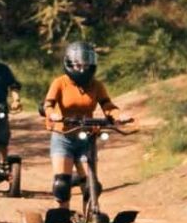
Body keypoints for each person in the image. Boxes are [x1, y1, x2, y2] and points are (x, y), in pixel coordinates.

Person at [43, 41, 126, 209]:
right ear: (70, 63)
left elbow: (107, 105)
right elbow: (48, 104)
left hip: (87, 138)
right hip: (63, 136)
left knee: (91, 186)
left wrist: (118, 116)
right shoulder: (60, 83)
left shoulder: (96, 85)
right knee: (62, 185)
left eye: (86, 63)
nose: (82, 67)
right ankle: (62, 219)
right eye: (78, 63)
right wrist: (53, 115)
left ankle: (91, 220)